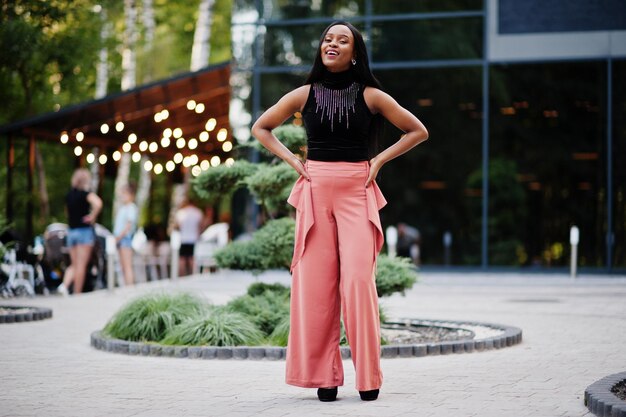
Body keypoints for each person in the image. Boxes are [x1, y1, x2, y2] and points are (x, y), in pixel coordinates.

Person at [251, 21, 428, 402]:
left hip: (355, 192)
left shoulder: (371, 96)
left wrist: (377, 161)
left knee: (357, 284)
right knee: (314, 288)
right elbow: (261, 128)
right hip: (314, 192)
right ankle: (324, 377)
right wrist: (292, 161)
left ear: (354, 52)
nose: (332, 44)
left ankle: (368, 376)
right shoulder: (303, 94)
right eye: (328, 39)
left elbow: (417, 131)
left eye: (342, 40)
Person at [57, 168, 103, 295]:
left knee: (74, 264)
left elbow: (67, 212)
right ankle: (77, 293)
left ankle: (64, 286)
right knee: (81, 265)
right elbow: (98, 203)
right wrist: (92, 216)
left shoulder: (69, 195)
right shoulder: (86, 194)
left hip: (71, 232)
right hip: (84, 231)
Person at [113, 183, 138, 286]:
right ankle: (126, 285)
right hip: (120, 238)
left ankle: (130, 287)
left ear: (131, 195)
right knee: (123, 265)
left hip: (125, 238)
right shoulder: (123, 208)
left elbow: (128, 225)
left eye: (125, 194)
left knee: (127, 265)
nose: (123, 196)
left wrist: (119, 237)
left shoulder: (131, 207)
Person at [175, 198, 204, 276]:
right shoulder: (198, 212)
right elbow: (200, 227)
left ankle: (182, 276)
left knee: (182, 259)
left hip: (183, 239)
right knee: (192, 258)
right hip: (194, 239)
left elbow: (178, 226)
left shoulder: (181, 213)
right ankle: (193, 275)